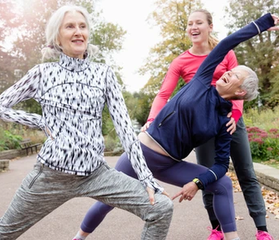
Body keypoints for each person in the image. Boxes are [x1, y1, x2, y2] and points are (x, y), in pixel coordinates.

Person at [74, 13, 279, 240]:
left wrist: (197, 183)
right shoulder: (202, 78)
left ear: (240, 92)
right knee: (107, 201)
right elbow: (227, 43)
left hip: (170, 164)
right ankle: (79, 237)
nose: (227, 72)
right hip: (140, 155)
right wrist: (261, 24)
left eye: (234, 76)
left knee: (222, 183)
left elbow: (221, 165)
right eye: (230, 70)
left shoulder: (223, 122)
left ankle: (232, 237)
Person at [0, 5, 174, 240]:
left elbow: (124, 128)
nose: (78, 32)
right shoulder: (42, 73)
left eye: (82, 26)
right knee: (0, 234)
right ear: (57, 37)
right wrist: (39, 120)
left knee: (161, 207)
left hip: (96, 174)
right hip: (50, 175)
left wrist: (145, 176)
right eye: (70, 26)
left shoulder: (104, 74)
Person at [141, 9, 275, 240]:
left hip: (229, 120)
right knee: (207, 175)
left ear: (209, 26)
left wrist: (234, 115)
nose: (193, 27)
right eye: (190, 23)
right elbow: (164, 94)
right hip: (200, 124)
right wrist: (152, 120)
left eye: (198, 22)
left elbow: (240, 88)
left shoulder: (224, 53)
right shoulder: (181, 61)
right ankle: (216, 229)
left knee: (246, 172)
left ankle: (262, 229)